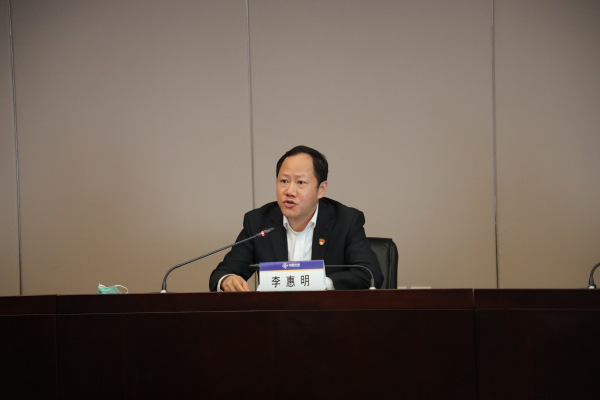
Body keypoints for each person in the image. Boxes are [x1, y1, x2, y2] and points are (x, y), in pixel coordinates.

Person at [209, 145, 383, 291]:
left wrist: (323, 284)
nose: (289, 191)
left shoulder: (345, 220)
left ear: (321, 189)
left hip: (328, 316)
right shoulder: (258, 221)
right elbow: (222, 273)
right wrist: (227, 279)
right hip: (276, 317)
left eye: (300, 183)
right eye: (284, 181)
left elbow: (370, 273)